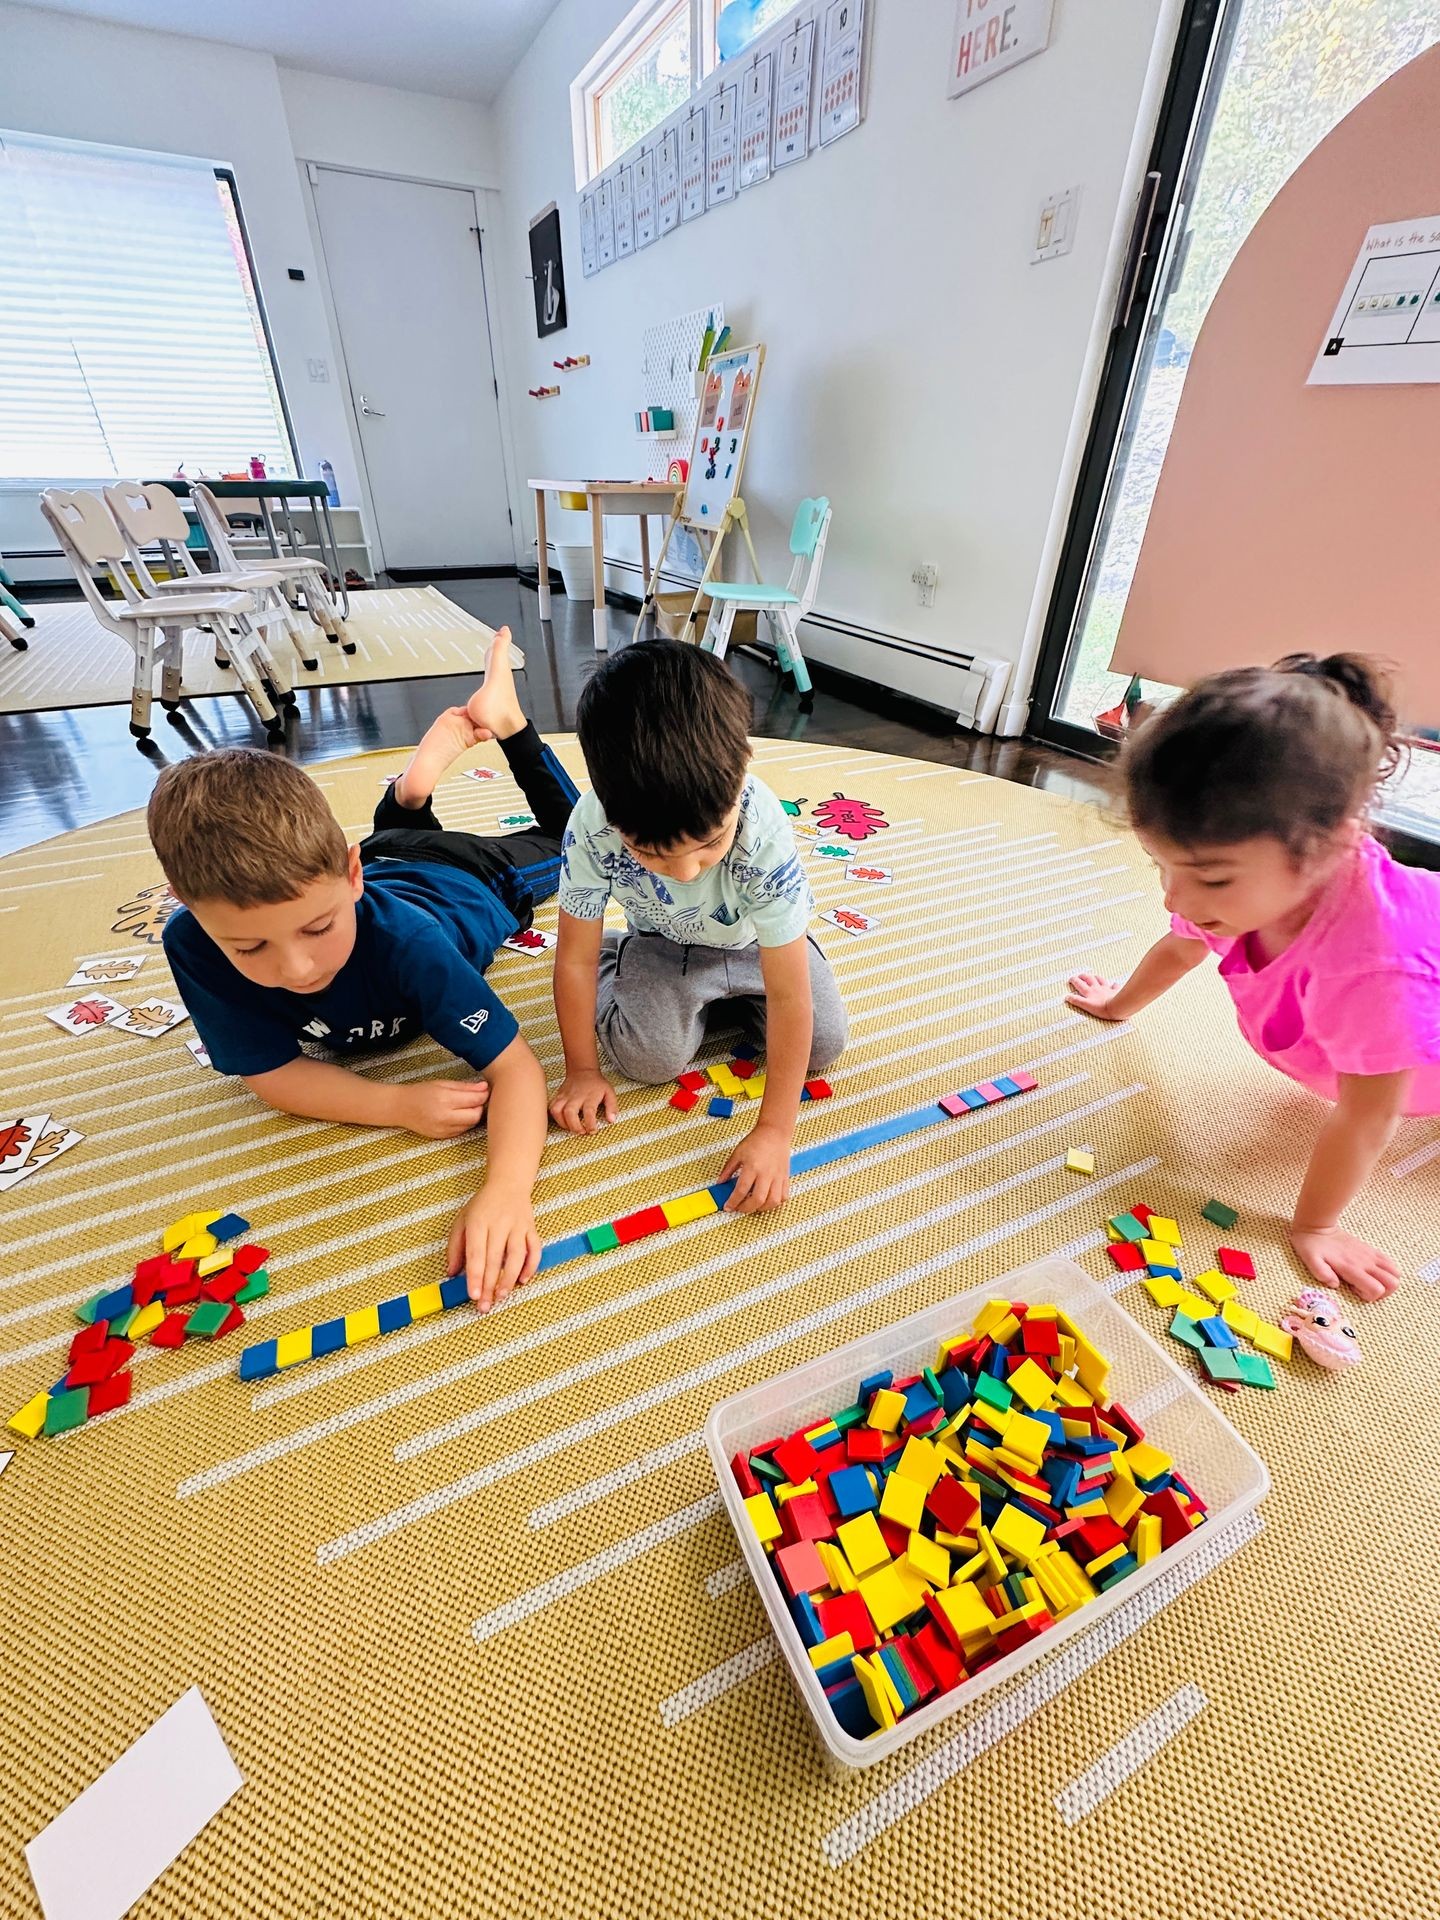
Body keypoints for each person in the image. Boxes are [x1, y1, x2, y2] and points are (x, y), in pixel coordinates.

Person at [149, 630, 565, 1311]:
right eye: (249, 948)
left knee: (579, 837)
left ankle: (505, 725)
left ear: (349, 879)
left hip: (471, 877)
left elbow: (516, 1069)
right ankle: (409, 796)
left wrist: (506, 1190)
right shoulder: (191, 940)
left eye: (317, 929)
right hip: (383, 852)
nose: (297, 967)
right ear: (185, 905)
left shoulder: (412, 942)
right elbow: (270, 1075)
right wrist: (395, 1104)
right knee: (394, 842)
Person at [1066, 653, 1439, 1300]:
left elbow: (1368, 1115)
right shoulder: (1238, 888)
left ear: (1325, 847)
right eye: (1161, 864)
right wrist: (1117, 1006)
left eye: (1209, 878)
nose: (1175, 899)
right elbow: (1181, 945)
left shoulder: (1373, 967)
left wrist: (1316, 1224)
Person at [549, 639, 846, 1211]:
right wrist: (581, 1070)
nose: (685, 872)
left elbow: (789, 996)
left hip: (759, 946)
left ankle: (725, 996)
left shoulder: (763, 834)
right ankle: (626, 956)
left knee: (823, 1045)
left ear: (742, 773)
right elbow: (574, 958)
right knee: (648, 1061)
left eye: (710, 843)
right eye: (650, 853)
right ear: (611, 813)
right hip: (666, 944)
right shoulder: (590, 826)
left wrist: (776, 1132)